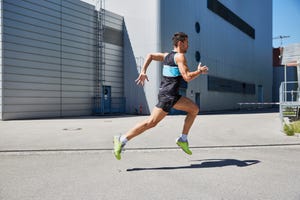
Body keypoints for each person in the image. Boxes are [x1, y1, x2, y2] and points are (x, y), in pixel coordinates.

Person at [114, 32, 208, 160]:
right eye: (187, 43)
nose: (188, 46)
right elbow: (186, 77)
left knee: (194, 109)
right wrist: (199, 71)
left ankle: (183, 139)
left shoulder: (167, 56)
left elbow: (150, 56)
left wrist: (143, 71)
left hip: (172, 95)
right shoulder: (180, 57)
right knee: (150, 122)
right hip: (168, 96)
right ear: (180, 43)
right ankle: (122, 139)